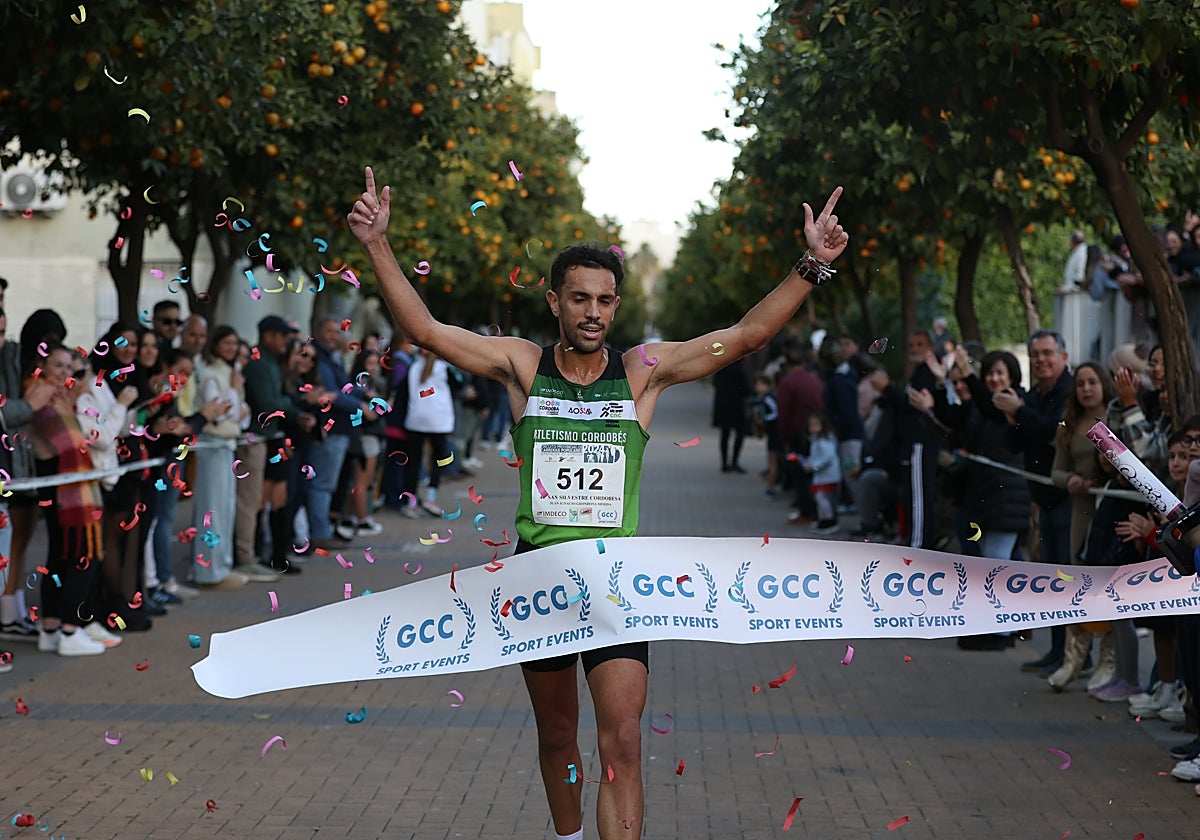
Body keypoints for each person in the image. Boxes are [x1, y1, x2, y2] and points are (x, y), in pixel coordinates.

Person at [349, 164, 847, 840]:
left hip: (616, 581)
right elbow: (430, 332)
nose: (592, 312)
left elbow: (748, 334)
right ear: (555, 302)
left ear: (616, 306)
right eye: (579, 298)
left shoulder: (643, 371)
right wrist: (378, 244)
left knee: (623, 742)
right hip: (538, 576)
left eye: (604, 300)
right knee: (557, 736)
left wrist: (812, 266)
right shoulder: (523, 365)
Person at [998, 329, 1074, 675]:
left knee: (1070, 578)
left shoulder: (1070, 392)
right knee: (1053, 579)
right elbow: (1014, 445)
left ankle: (1074, 655)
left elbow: (1052, 432)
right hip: (1042, 498)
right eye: (1036, 354)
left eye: (1047, 353)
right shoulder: (1032, 396)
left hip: (1068, 498)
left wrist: (1021, 412)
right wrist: (1013, 416)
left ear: (1063, 357)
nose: (1041, 360)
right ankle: (1058, 651)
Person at [29, 346, 106, 656]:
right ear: (42, 366)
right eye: (57, 366)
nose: (64, 373)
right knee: (79, 555)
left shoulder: (56, 401)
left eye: (68, 367)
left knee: (61, 557)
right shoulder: (44, 401)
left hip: (63, 491)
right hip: (65, 495)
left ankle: (50, 628)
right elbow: (72, 447)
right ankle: (69, 630)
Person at [1047, 361, 1115, 692]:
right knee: (1078, 583)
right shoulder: (1069, 423)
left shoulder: (1116, 417)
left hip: (1113, 509)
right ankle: (1072, 659)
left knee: (1110, 584)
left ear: (1104, 384)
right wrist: (1071, 479)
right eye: (1081, 383)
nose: (1086, 388)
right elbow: (1055, 471)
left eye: (1092, 382)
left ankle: (1109, 661)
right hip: (1081, 512)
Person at [401, 348, 457, 517]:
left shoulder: (413, 366)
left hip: (415, 419)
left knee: (413, 463)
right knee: (438, 461)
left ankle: (410, 503)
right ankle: (431, 498)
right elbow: (459, 384)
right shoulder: (444, 367)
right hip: (439, 421)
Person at [802, 413, 841, 534]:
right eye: (811, 425)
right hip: (823, 475)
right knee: (822, 498)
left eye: (816, 425)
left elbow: (827, 457)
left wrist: (814, 466)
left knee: (821, 498)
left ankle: (829, 520)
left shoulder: (824, 441)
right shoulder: (818, 440)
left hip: (827, 476)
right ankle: (824, 519)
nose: (813, 428)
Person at [711, 357, 750, 473]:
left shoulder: (721, 369)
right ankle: (734, 461)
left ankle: (724, 463)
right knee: (740, 433)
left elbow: (715, 384)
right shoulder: (740, 370)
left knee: (724, 434)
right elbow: (745, 389)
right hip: (737, 406)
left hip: (723, 406)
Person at [750, 374, 781, 499]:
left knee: (773, 461)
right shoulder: (760, 399)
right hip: (772, 433)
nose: (758, 387)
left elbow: (776, 412)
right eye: (756, 384)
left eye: (760, 384)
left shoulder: (768, 398)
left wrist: (764, 420)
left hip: (776, 433)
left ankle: (771, 488)